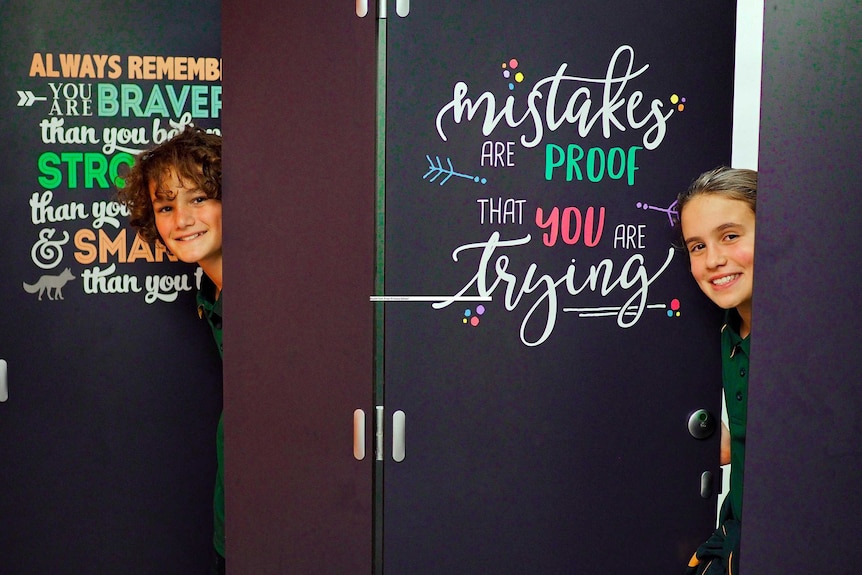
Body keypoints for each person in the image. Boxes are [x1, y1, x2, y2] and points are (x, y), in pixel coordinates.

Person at [116, 126, 225, 575]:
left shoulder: (272, 296)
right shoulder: (209, 290)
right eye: (165, 206)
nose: (181, 220)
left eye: (199, 198)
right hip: (233, 518)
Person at [678, 166, 757, 575]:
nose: (714, 260)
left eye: (730, 236)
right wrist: (724, 542)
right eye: (696, 246)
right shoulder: (726, 332)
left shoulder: (814, 346)